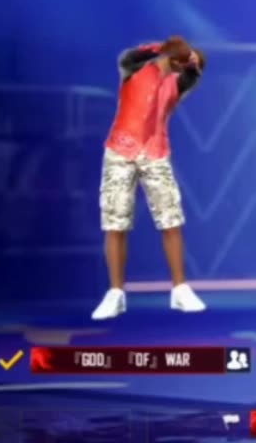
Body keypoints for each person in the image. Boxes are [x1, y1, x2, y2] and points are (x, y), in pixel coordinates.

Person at [91, 36, 208, 320]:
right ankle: (116, 293)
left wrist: (193, 62)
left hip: (156, 153)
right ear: (173, 58)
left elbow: (192, 76)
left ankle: (180, 290)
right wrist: (160, 48)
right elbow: (126, 58)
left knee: (171, 220)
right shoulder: (136, 69)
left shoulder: (179, 83)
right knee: (116, 222)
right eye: (181, 61)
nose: (184, 67)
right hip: (121, 151)